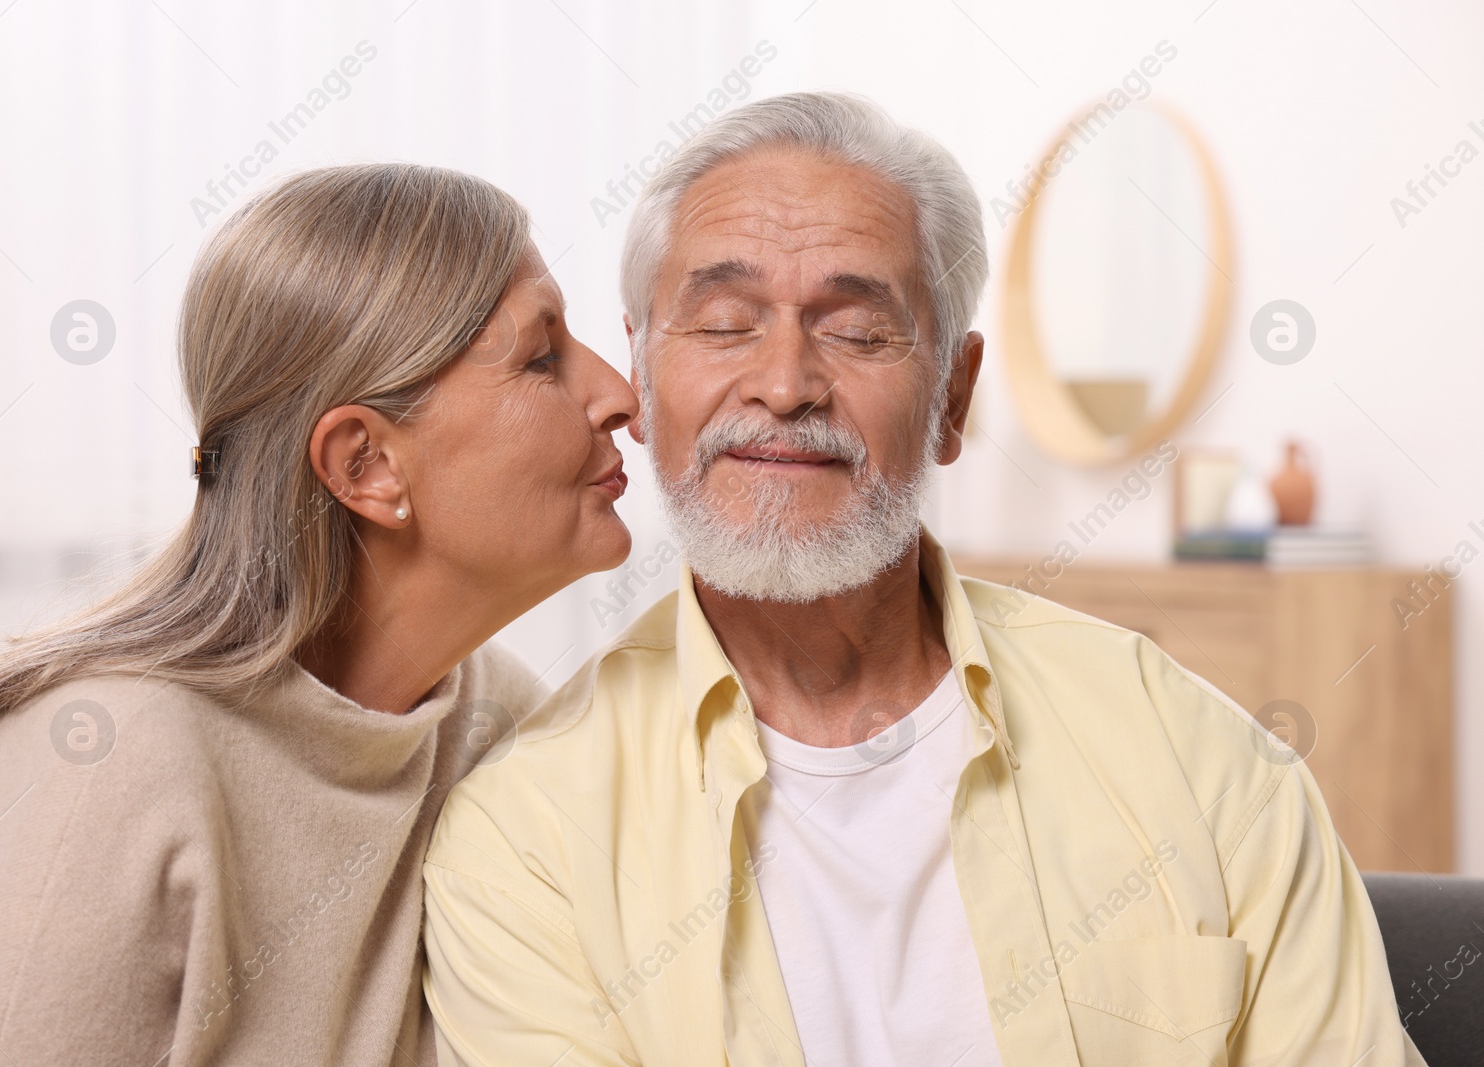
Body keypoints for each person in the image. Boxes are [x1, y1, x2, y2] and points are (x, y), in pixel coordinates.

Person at [421, 93, 1424, 1065]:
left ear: (952, 394)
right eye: (725, 322)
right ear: (641, 376)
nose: (783, 384)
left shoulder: (1205, 763)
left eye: (856, 331)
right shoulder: (526, 838)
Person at [0, 163, 638, 1066]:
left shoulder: (494, 723)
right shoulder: (98, 760)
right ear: (367, 467)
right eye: (542, 358)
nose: (622, 396)